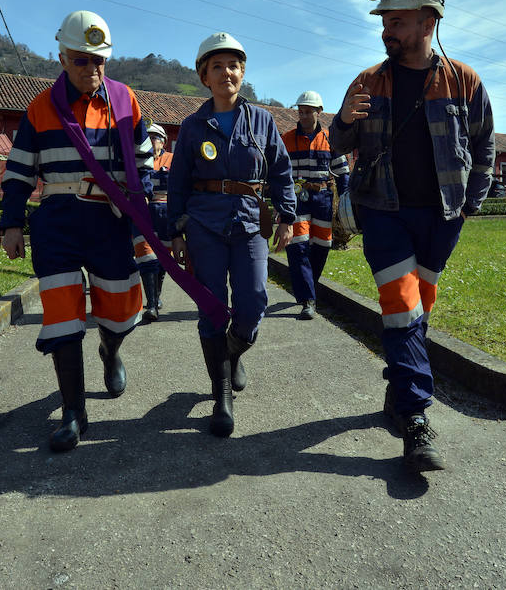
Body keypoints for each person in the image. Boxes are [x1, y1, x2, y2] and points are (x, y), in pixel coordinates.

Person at [329, 0, 495, 472]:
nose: (387, 31)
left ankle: (398, 385)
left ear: (429, 21)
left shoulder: (464, 80)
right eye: (384, 22)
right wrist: (341, 121)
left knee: (417, 310)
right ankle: (417, 419)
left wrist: (473, 202)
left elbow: (485, 142)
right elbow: (337, 145)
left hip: (444, 215)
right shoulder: (366, 81)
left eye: (397, 22)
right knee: (401, 308)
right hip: (383, 211)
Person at [0, 10, 154, 452]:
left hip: (108, 221)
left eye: (100, 60)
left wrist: (153, 220)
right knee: (64, 315)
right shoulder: (40, 107)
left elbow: (144, 166)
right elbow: (18, 172)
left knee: (122, 309)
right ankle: (74, 412)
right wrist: (11, 223)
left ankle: (112, 349)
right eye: (83, 60)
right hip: (57, 223)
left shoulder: (125, 101)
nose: (93, 69)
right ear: (63, 56)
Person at [167, 32, 296, 438]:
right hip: (204, 224)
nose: (227, 72)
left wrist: (287, 216)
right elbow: (178, 182)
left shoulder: (262, 120)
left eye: (234, 65)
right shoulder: (191, 127)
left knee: (254, 301)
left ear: (243, 73)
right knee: (210, 307)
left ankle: (234, 349)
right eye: (218, 66)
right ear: (204, 76)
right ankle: (220, 392)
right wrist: (176, 231)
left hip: (250, 223)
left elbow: (280, 171)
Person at [282, 91, 350, 319]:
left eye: (307, 111)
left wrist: (346, 204)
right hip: (297, 198)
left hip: (322, 198)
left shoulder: (331, 139)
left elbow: (342, 173)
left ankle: (307, 287)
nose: (302, 115)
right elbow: (279, 172)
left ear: (318, 112)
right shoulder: (287, 139)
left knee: (322, 246)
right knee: (298, 246)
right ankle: (308, 300)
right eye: (300, 111)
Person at [135, 122, 173, 322]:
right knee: (146, 258)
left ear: (164, 141)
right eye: (147, 137)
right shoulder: (139, 162)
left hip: (167, 215)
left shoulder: (172, 160)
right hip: (144, 213)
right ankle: (150, 304)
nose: (151, 141)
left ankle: (156, 296)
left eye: (155, 137)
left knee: (163, 260)